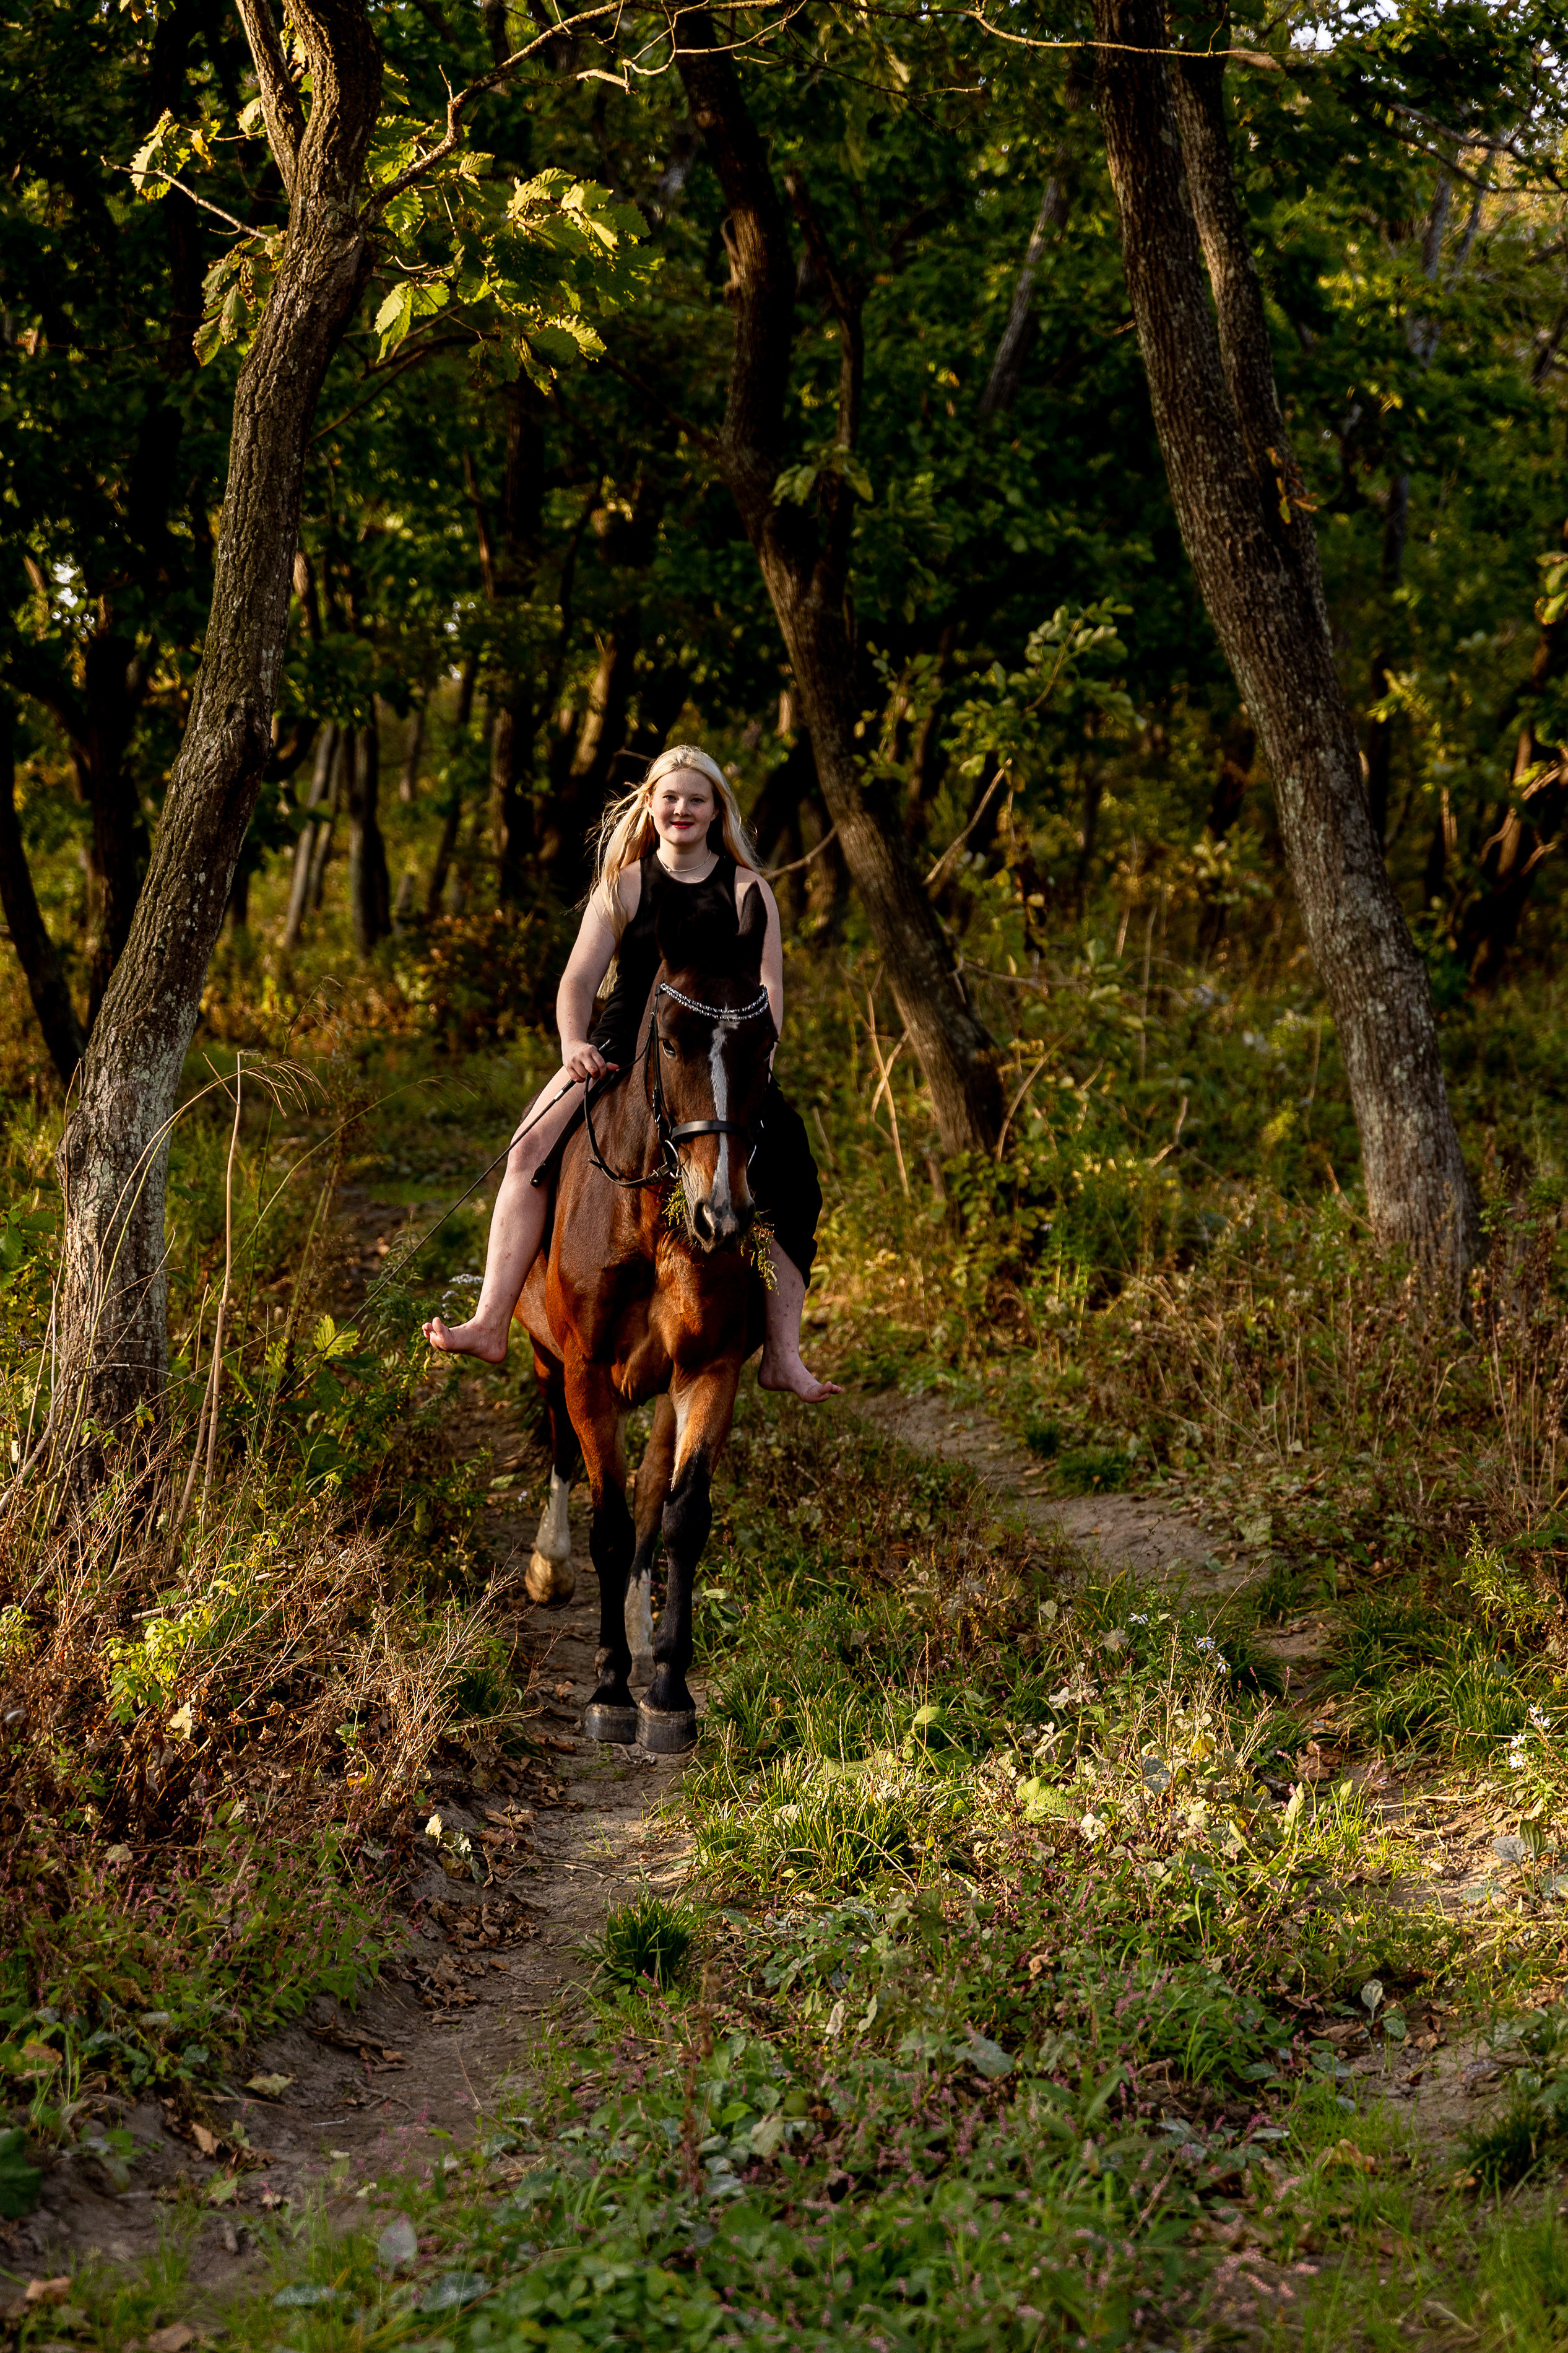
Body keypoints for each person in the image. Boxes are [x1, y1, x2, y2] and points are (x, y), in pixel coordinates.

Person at [422, 744, 840, 1402]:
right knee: (527, 1150)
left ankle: (783, 1355)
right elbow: (577, 980)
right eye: (670, 797)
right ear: (650, 804)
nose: (682, 808)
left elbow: (770, 985)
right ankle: (490, 1320)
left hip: (720, 1060)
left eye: (697, 798)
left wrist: (758, 1056)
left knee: (794, 1173)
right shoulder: (625, 884)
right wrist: (573, 1043)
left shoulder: (747, 889)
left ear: (716, 810)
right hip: (618, 1046)